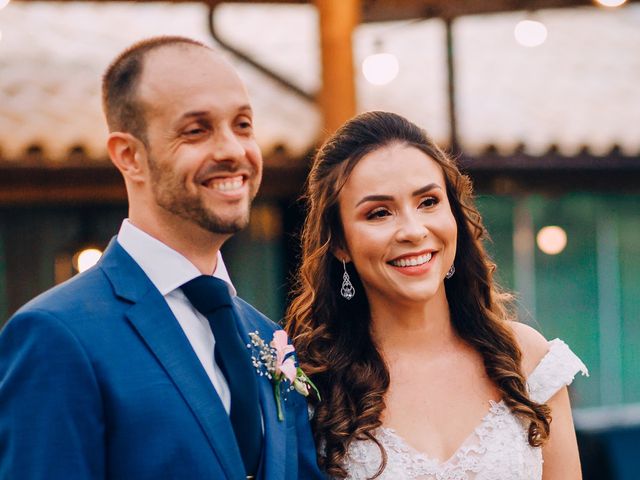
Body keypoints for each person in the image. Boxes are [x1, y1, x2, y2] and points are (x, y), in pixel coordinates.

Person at [0, 36, 322, 480]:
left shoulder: (268, 337)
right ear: (130, 155)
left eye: (243, 125)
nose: (232, 150)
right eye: (197, 130)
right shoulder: (57, 335)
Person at [285, 111, 588, 480]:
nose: (413, 231)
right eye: (379, 213)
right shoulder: (309, 383)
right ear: (340, 244)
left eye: (428, 202)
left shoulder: (528, 361)